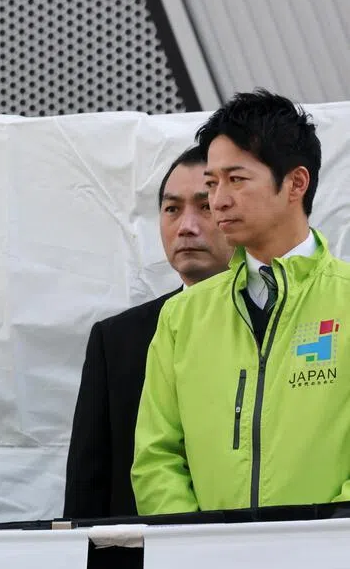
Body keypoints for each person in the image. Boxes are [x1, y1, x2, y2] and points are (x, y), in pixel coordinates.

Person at [133, 90, 350, 514]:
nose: (218, 200)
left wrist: (325, 535)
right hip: (212, 555)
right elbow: (156, 456)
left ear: (296, 183)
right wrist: (199, 540)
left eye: (236, 179)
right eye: (212, 183)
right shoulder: (182, 316)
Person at [64, 145, 231, 518]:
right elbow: (87, 487)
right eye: (172, 209)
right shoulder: (116, 340)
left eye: (204, 206)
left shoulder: (277, 321)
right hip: (140, 548)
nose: (186, 226)